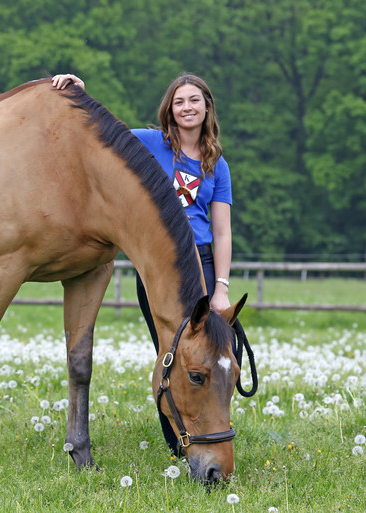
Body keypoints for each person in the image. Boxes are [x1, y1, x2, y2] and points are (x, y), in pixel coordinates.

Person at [52, 72, 234, 455]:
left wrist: (221, 289)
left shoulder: (218, 164)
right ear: (170, 108)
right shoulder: (151, 143)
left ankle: (213, 434)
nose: (187, 107)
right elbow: (101, 135)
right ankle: (179, 446)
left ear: (207, 108)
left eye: (195, 101)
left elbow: (222, 232)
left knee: (210, 358)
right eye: (180, 101)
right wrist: (81, 92)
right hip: (158, 265)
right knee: (171, 354)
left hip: (201, 262)